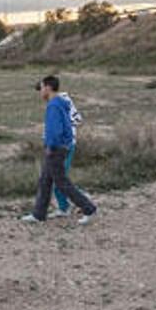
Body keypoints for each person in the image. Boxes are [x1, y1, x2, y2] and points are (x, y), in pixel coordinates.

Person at [21, 75, 97, 224]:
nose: (40, 92)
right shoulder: (62, 103)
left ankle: (89, 208)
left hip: (55, 149)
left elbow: (55, 130)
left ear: (48, 88)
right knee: (45, 181)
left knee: (62, 183)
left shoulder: (54, 105)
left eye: (41, 88)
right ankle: (39, 214)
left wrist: (52, 146)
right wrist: (67, 143)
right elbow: (69, 127)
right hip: (61, 147)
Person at [52, 90, 84, 218]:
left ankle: (83, 202)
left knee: (60, 179)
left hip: (65, 146)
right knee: (59, 179)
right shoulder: (57, 102)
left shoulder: (61, 101)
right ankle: (65, 207)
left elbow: (77, 119)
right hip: (60, 146)